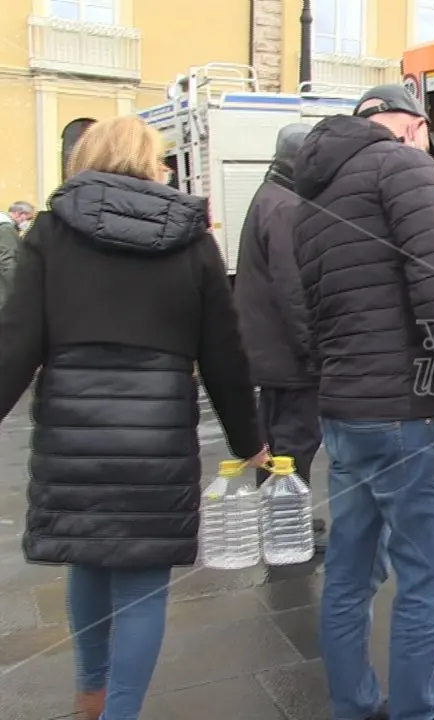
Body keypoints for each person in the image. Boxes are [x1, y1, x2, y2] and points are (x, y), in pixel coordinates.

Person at [0, 115, 267, 720]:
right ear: (152, 161)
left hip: (73, 422)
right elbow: (224, 352)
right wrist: (248, 438)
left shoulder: (49, 230)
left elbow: (15, 339)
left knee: (87, 558)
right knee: (143, 579)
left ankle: (89, 698)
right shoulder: (191, 237)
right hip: (156, 431)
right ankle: (120, 712)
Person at [291, 83, 434, 720]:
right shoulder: (402, 166)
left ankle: (353, 707)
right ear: (408, 127)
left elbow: (306, 312)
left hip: (344, 411)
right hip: (406, 412)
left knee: (350, 577)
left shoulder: (311, 189)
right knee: (428, 581)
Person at [232, 123, 328, 551]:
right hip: (288, 355)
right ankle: (289, 527)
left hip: (269, 350)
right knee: (295, 441)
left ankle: (279, 519)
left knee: (275, 441)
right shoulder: (287, 207)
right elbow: (294, 289)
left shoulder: (269, 195)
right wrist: (313, 351)